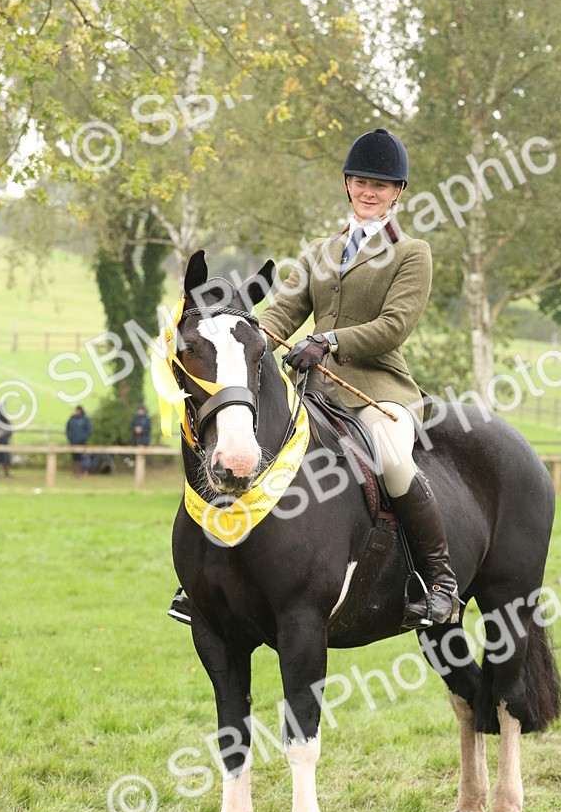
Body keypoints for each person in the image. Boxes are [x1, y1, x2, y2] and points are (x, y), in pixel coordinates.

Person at [168, 128, 460, 630]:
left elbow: (395, 325)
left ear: (398, 193)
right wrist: (250, 337)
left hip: (375, 389)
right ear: (348, 185)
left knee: (391, 458)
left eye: (382, 185)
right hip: (309, 385)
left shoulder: (413, 252)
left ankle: (438, 581)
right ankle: (205, 578)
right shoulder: (320, 251)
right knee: (240, 440)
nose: (370, 192)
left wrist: (330, 342)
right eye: (361, 182)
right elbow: (282, 312)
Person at [66, 405, 92, 476]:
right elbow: (68, 429)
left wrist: (83, 438)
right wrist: (70, 438)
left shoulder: (85, 420)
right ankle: (75, 472)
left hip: (82, 442)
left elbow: (88, 431)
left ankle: (83, 471)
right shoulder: (71, 419)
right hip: (73, 442)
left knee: (82, 457)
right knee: (74, 457)